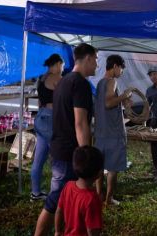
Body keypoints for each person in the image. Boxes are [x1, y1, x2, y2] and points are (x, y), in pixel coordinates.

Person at [34, 43, 98, 236]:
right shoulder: (79, 83)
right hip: (70, 152)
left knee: (62, 200)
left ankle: (58, 232)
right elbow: (80, 123)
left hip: (60, 147)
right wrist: (87, 157)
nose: (96, 64)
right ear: (87, 58)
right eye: (95, 60)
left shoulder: (63, 81)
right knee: (54, 200)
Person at [94, 54, 131, 206]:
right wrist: (124, 96)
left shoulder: (99, 83)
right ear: (115, 66)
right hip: (113, 133)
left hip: (101, 131)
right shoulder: (112, 81)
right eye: (121, 68)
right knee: (113, 168)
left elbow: (105, 104)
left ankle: (98, 196)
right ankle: (109, 199)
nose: (121, 72)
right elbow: (109, 103)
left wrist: (122, 102)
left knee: (99, 166)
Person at [31, 54, 64, 201]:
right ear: (57, 64)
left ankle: (35, 193)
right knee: (57, 158)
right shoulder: (58, 79)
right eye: (62, 66)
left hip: (40, 117)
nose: (62, 69)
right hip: (52, 119)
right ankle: (56, 193)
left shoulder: (41, 79)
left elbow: (39, 103)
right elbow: (64, 102)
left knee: (38, 160)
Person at [55, 146, 104, 236]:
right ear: (98, 173)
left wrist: (57, 231)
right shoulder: (92, 199)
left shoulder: (68, 186)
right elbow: (92, 231)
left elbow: (59, 210)